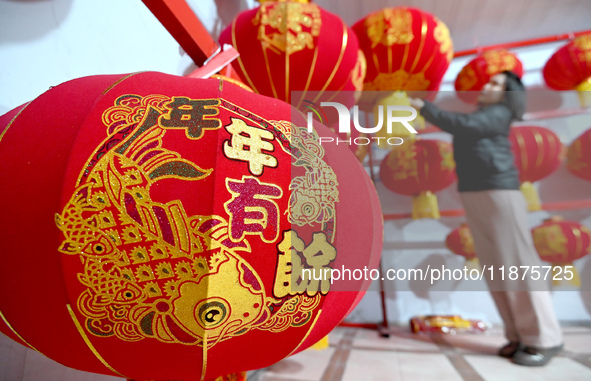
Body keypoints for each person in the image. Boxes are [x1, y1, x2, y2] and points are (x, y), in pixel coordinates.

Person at [409, 71, 564, 367]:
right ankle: (519, 335)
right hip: (477, 191)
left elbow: (462, 125)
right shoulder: (487, 113)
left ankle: (545, 338)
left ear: (508, 95)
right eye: (489, 81)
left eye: (496, 84)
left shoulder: (498, 112)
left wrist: (424, 107)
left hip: (499, 191)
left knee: (518, 263)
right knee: (496, 265)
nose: (487, 86)